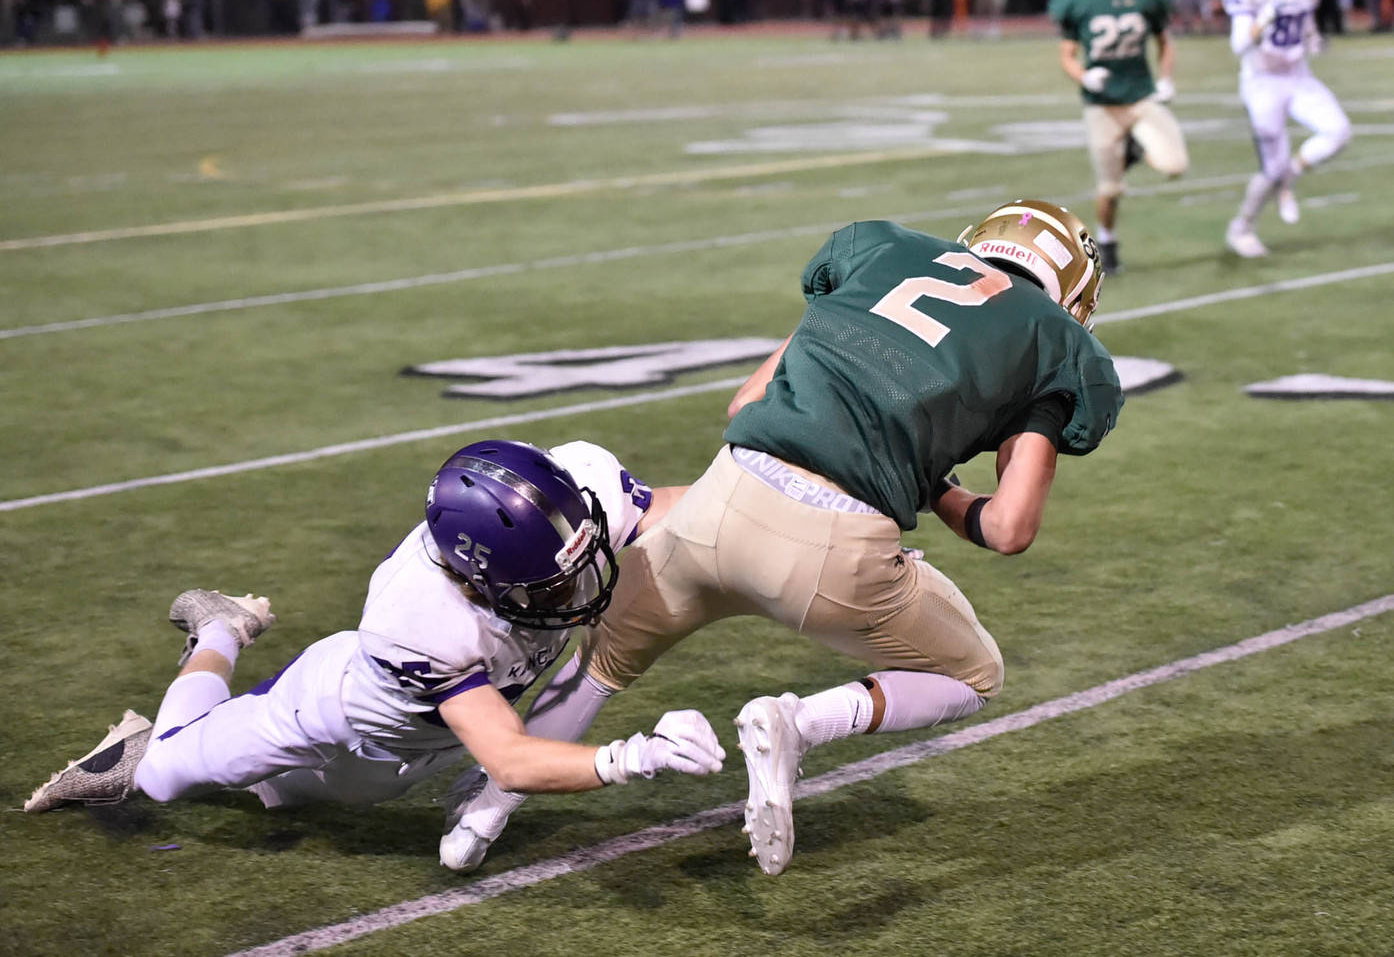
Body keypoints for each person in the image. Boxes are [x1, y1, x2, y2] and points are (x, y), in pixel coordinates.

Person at [445, 200, 1123, 877]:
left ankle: (481, 818)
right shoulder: (1053, 344)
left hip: (721, 500)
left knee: (600, 663)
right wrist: (938, 488)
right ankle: (801, 723)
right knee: (975, 674)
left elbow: (746, 404)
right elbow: (1008, 528)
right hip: (835, 554)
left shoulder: (883, 255)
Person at [24, 440, 725, 870]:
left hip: (415, 750)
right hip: (333, 710)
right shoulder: (421, 616)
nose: (578, 586)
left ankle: (214, 702)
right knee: (165, 773)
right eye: (548, 584)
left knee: (284, 798)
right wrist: (639, 755)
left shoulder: (574, 494)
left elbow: (688, 508)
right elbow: (508, 756)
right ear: (474, 575)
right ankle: (219, 629)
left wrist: (782, 504)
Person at [1047, 0, 1189, 275]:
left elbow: (1164, 43)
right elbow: (1066, 55)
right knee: (1110, 189)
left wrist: (1166, 79)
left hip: (1141, 97)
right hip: (1103, 106)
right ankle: (1107, 241)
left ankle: (1135, 147)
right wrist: (1084, 76)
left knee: (1175, 165)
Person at [1219, 0, 1352, 259]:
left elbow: (1306, 25)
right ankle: (1242, 226)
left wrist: (1314, 41)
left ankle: (1290, 174)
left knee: (1338, 131)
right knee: (1270, 169)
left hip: (1298, 75)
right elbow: (1239, 44)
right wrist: (1264, 19)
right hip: (1262, 80)